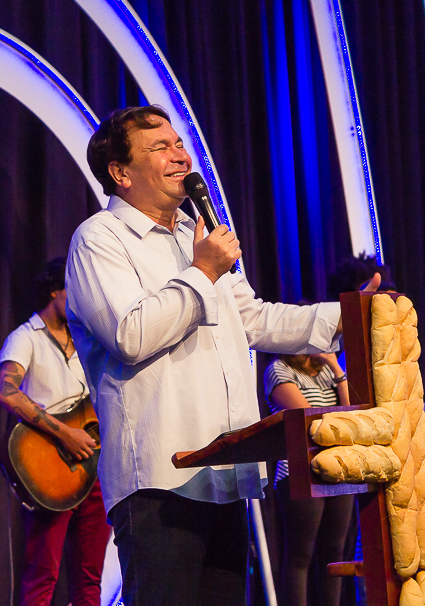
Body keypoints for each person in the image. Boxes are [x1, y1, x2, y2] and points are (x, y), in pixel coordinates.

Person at [65, 104, 345, 606]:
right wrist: (203, 272)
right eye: (160, 147)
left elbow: (254, 320)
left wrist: (348, 317)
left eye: (178, 144)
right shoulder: (98, 239)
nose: (180, 155)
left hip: (223, 470)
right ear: (120, 173)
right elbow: (130, 334)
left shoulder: (193, 234)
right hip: (159, 480)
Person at [0, 257, 110, 606]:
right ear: (54, 291)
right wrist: (64, 434)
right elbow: (6, 391)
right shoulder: (24, 338)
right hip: (54, 469)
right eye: (73, 290)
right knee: (43, 574)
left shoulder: (88, 339)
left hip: (96, 469)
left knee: (90, 579)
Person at [265, 352, 352, 606]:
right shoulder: (279, 369)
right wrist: (341, 422)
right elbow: (310, 416)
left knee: (334, 554)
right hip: (300, 469)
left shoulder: (326, 370)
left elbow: (351, 413)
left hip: (338, 469)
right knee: (300, 555)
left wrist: (336, 367)